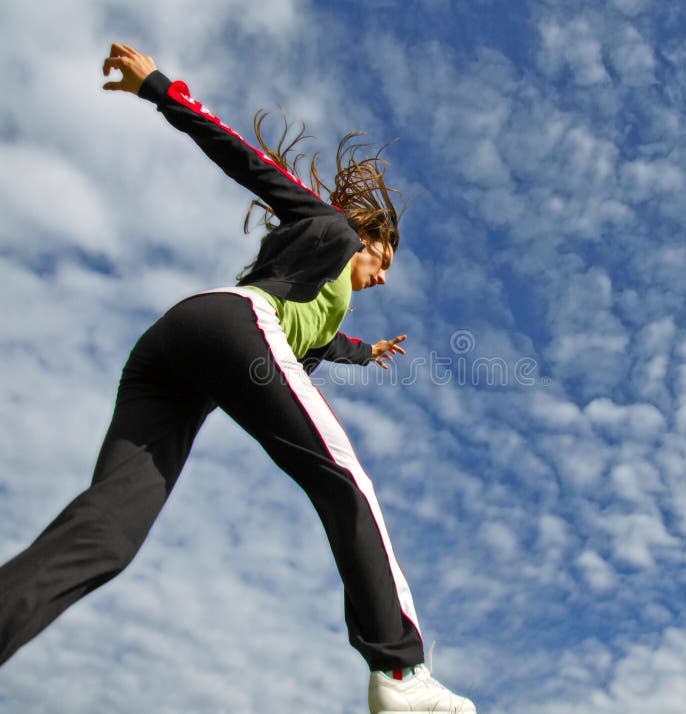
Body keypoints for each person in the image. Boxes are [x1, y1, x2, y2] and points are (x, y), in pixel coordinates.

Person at [0, 44, 476, 713]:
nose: (384, 276)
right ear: (365, 235)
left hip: (173, 362)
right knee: (346, 480)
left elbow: (318, 342)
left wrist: (368, 354)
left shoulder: (320, 309)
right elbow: (254, 166)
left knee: (107, 535)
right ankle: (400, 675)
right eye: (384, 259)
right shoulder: (330, 230)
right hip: (228, 323)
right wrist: (160, 89)